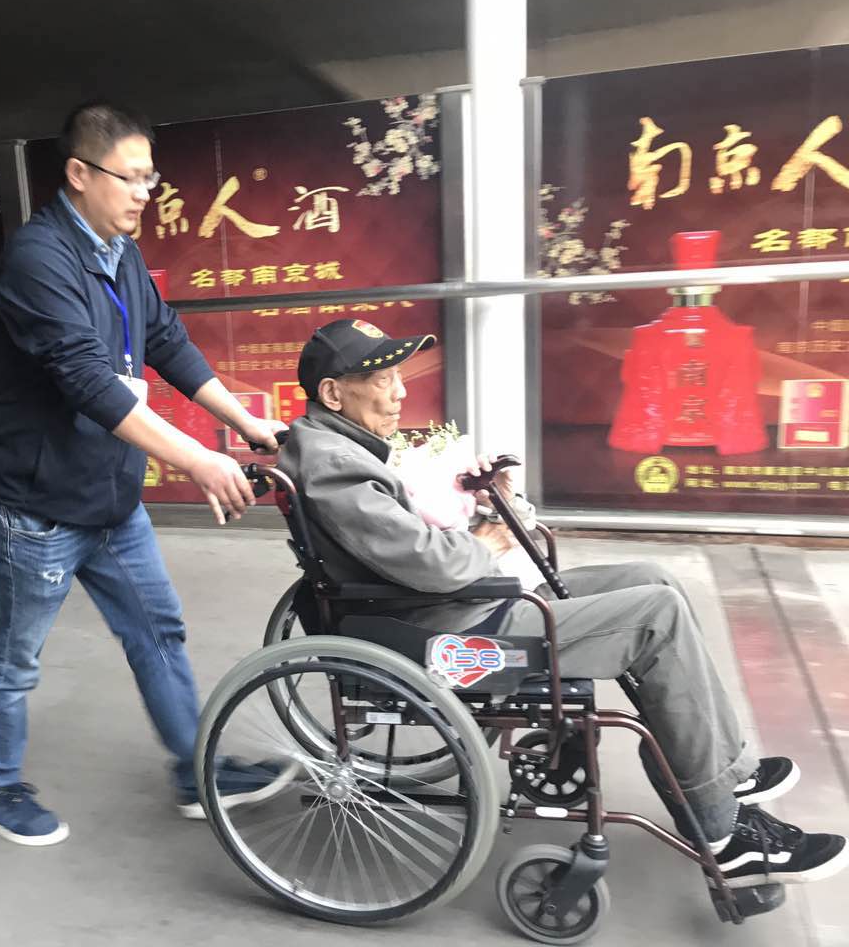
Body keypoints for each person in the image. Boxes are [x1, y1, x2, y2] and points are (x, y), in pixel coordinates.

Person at [277, 317, 847, 889]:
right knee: (657, 617)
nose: (401, 391)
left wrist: (481, 502)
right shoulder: (335, 465)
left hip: (459, 604)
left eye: (400, 376)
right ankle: (725, 835)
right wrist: (483, 542)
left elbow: (409, 544)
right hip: (449, 637)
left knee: (652, 578)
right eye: (384, 379)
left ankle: (719, 769)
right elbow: (432, 562)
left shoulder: (344, 447)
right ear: (333, 393)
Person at [0, 102, 289, 846]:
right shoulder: (37, 260)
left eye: (151, 178)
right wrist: (199, 459)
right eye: (131, 178)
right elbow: (87, 380)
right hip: (34, 505)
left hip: (108, 494)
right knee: (15, 658)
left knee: (158, 629)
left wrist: (244, 422)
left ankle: (197, 771)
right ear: (79, 174)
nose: (146, 193)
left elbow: (165, 341)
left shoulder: (121, 252)